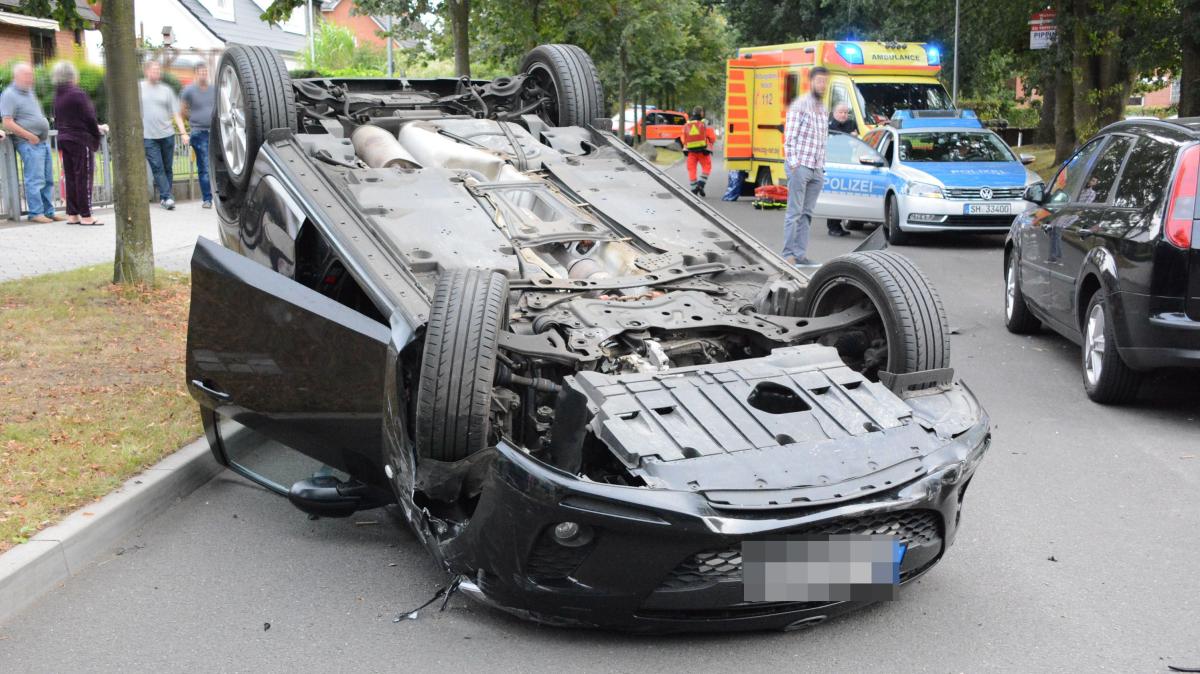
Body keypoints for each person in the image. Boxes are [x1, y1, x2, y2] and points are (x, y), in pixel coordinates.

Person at [1, 62, 63, 223]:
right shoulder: (9, 95)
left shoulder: (29, 92)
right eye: (27, 75)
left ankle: (49, 211)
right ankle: (36, 213)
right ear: (17, 76)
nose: (31, 78)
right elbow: (7, 122)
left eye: (31, 75)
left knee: (48, 178)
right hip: (29, 143)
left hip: (41, 141)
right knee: (35, 179)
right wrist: (29, 136)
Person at [782, 66, 831, 264]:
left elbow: (822, 140)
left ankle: (800, 255)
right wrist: (794, 164)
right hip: (800, 166)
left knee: (807, 214)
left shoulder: (822, 108)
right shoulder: (800, 105)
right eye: (819, 81)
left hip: (816, 168)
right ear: (811, 82)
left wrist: (822, 168)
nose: (822, 84)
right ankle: (787, 256)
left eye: (825, 81)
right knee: (794, 212)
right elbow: (789, 138)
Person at [52, 61, 108, 226]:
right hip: (79, 139)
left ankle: (73, 214)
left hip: (64, 138)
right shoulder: (78, 94)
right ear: (72, 75)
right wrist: (95, 136)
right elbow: (89, 117)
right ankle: (86, 215)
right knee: (84, 176)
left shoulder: (58, 95)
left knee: (70, 177)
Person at [141, 60, 189, 210]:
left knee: (168, 167)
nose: (157, 72)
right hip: (148, 136)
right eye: (154, 70)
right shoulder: (138, 88)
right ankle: (168, 197)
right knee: (157, 167)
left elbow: (176, 113)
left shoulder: (166, 90)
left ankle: (164, 197)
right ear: (146, 71)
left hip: (167, 134)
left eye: (158, 70)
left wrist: (183, 133)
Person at [180, 63, 214, 208]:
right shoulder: (188, 90)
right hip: (199, 133)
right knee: (204, 166)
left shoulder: (214, 89)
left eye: (205, 72)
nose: (203, 74)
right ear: (196, 74)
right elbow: (182, 110)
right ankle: (207, 199)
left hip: (215, 132)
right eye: (201, 72)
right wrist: (194, 119)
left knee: (220, 165)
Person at [680, 106, 718, 196]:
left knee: (691, 169)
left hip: (691, 152)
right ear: (701, 113)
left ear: (693, 113)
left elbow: (683, 139)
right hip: (703, 151)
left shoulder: (687, 124)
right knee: (706, 167)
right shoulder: (705, 124)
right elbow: (712, 138)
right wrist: (710, 143)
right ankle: (701, 184)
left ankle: (694, 188)